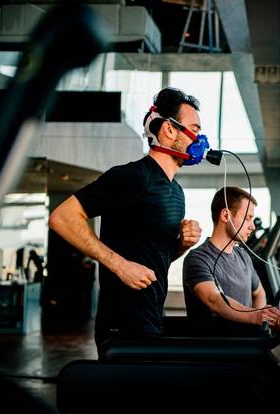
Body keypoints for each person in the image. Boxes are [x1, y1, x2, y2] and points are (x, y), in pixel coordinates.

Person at [49, 87, 204, 349]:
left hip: (152, 316)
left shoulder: (176, 192)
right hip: (121, 324)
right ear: (169, 130)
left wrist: (181, 245)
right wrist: (119, 265)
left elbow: (156, 259)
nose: (200, 138)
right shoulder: (133, 177)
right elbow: (62, 217)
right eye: (195, 129)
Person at [182, 187, 280, 335]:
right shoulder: (198, 259)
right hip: (220, 349)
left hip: (246, 346)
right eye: (247, 218)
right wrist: (254, 316)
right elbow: (214, 299)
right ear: (225, 215)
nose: (252, 226)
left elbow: (259, 293)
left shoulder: (243, 255)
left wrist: (259, 326)